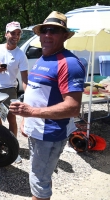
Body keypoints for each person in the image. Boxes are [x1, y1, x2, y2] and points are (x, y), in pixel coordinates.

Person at [9, 11, 85, 200]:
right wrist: (27, 120)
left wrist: (31, 112)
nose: (48, 35)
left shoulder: (69, 63)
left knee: (38, 181)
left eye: (54, 31)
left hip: (50, 134)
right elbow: (36, 93)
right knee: (42, 176)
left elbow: (73, 107)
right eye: (44, 30)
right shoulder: (44, 57)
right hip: (37, 130)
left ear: (65, 35)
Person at [0, 21, 28, 163]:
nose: (16, 36)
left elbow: (25, 78)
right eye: (13, 33)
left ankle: (13, 149)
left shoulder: (20, 54)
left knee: (11, 118)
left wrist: (27, 94)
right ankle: (2, 142)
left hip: (10, 91)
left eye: (18, 33)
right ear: (6, 34)